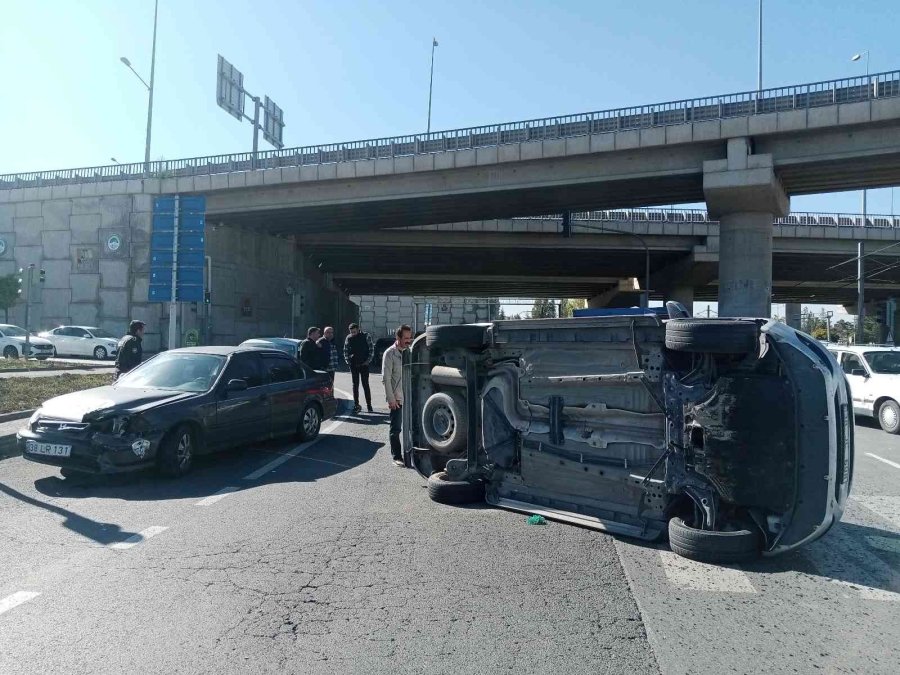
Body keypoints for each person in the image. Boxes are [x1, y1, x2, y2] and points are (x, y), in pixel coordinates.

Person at [382, 324, 413, 467]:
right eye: (405, 338)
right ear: (398, 337)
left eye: (410, 338)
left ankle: (412, 456)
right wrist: (391, 399)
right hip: (397, 398)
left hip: (410, 397)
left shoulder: (411, 352)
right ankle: (397, 456)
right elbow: (386, 378)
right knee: (396, 429)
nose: (408, 340)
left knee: (413, 428)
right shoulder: (390, 353)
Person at [343, 322, 374, 413]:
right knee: (355, 385)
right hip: (353, 364)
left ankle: (369, 405)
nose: (353, 334)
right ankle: (356, 404)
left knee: (365, 384)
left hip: (364, 364)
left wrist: (368, 361)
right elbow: (345, 350)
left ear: (358, 329)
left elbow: (371, 349)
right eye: (351, 332)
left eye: (354, 332)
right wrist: (348, 361)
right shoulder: (348, 338)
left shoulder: (366, 336)